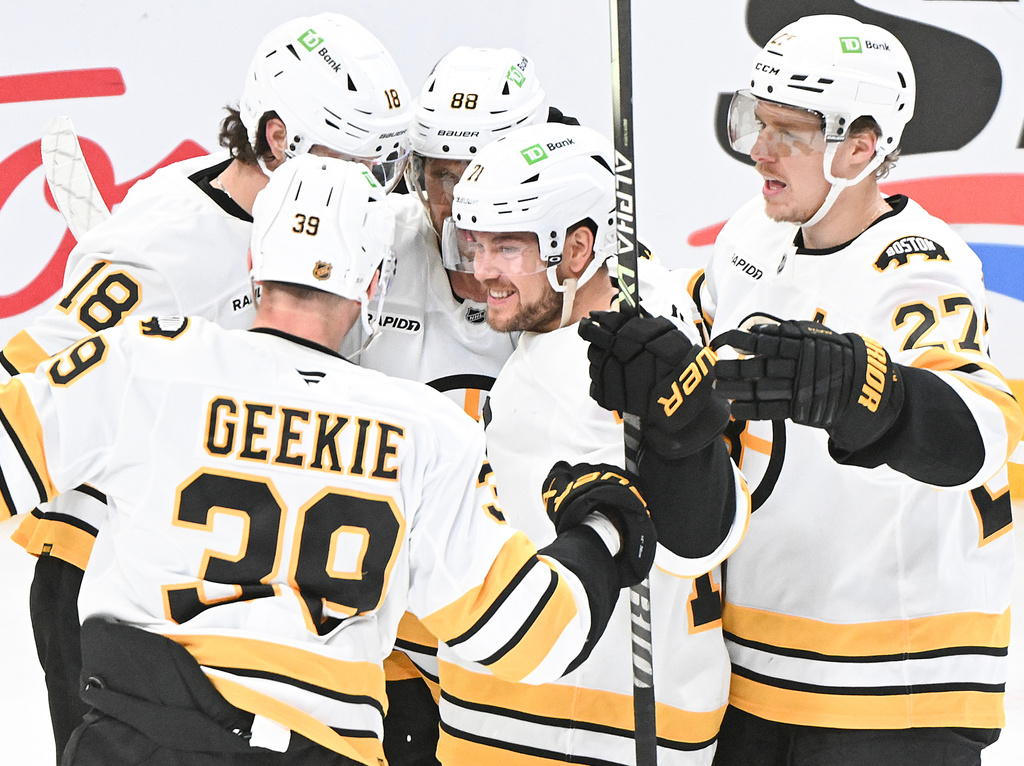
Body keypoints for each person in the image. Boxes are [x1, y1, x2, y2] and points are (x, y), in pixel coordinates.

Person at [0, 154, 657, 766]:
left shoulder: (143, 361)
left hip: (140, 737)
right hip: (321, 749)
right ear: (373, 280)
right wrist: (603, 531)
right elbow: (530, 637)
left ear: (255, 260)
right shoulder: (426, 430)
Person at [583, 14, 1023, 765]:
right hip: (758, 669)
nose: (759, 150)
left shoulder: (919, 267)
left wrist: (864, 388)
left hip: (897, 688)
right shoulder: (750, 236)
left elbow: (979, 436)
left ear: (862, 146)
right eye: (756, 122)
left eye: (790, 131)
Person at [0, 13, 411, 761]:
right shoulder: (161, 252)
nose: (382, 191)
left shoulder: (306, 228)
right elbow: (20, 378)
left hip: (209, 579)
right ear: (281, 138)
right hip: (101, 586)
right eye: (363, 162)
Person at [435, 121, 751, 764]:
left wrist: (680, 433)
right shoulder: (643, 302)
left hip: (570, 723)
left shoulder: (615, 362)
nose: (480, 269)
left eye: (507, 247)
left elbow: (699, 538)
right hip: (584, 708)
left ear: (577, 249)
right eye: (476, 243)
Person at [346, 46, 554, 766]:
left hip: (524, 629)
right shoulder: (371, 245)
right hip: (391, 644)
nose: (458, 203)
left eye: (480, 175)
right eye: (441, 174)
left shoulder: (591, 266)